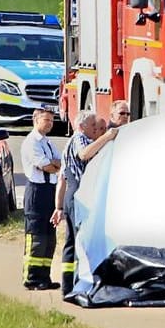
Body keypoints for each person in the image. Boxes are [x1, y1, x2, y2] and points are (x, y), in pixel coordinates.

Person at [55, 110, 119, 295]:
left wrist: (59, 206)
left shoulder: (76, 141)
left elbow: (62, 179)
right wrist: (107, 137)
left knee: (72, 241)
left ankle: (68, 285)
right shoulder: (79, 139)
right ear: (82, 126)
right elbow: (84, 154)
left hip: (72, 195)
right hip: (78, 195)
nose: (94, 130)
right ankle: (79, 285)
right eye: (92, 126)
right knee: (82, 240)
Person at [21, 108, 64, 290]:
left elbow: (60, 163)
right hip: (36, 191)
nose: (50, 124)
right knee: (36, 236)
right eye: (46, 120)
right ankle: (31, 278)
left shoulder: (48, 142)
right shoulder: (31, 142)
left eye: (52, 121)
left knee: (49, 237)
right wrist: (52, 164)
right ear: (36, 120)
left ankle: (44, 277)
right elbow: (46, 166)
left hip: (50, 190)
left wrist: (53, 164)